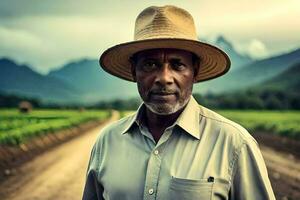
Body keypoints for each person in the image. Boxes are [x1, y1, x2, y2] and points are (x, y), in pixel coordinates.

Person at [83, 5, 275, 200]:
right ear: (134, 71)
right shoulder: (107, 141)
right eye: (150, 64)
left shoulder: (234, 143)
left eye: (177, 65)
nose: (164, 78)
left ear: (195, 71)